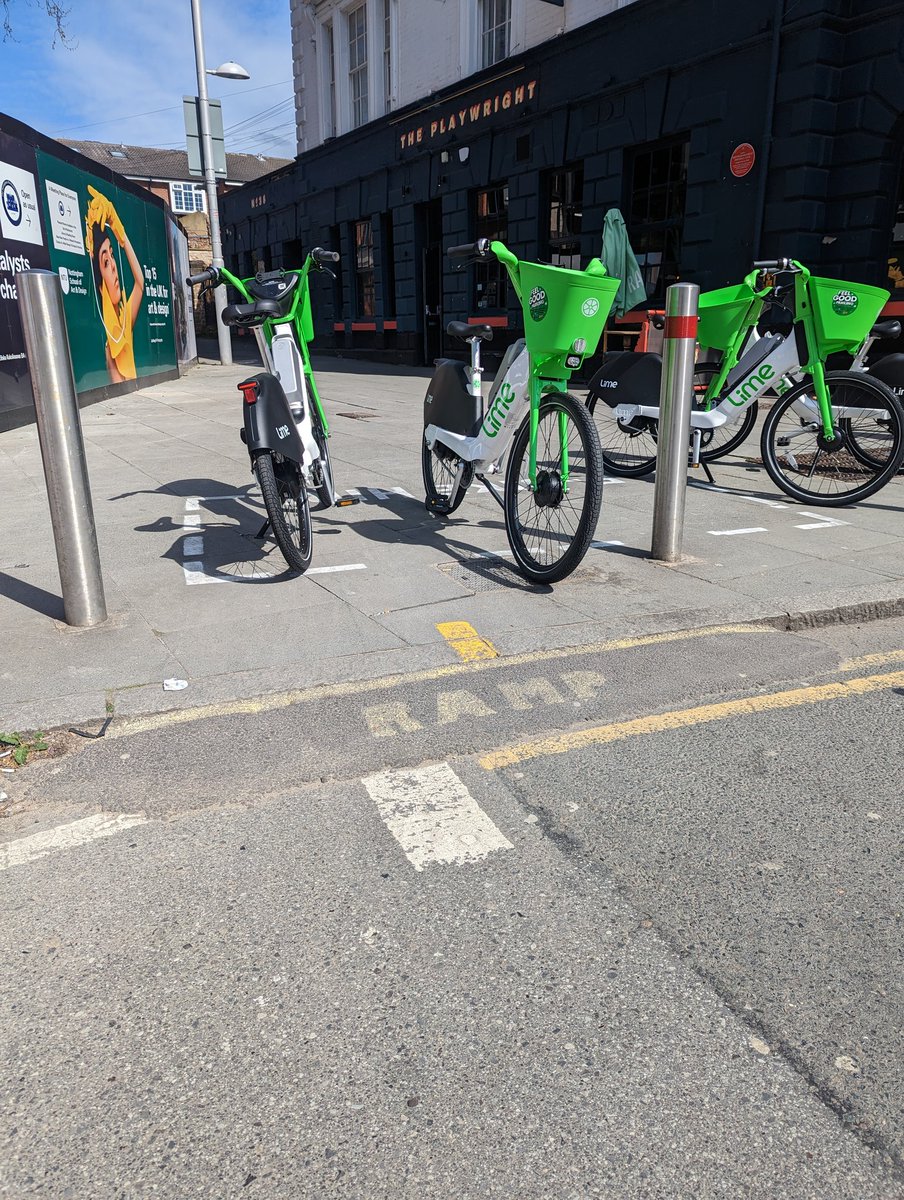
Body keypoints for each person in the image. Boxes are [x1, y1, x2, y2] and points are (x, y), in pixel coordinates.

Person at [84, 187, 144, 382]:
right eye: (105, 262)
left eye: (112, 254)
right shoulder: (110, 347)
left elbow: (140, 283)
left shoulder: (125, 318)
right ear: (100, 283)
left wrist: (122, 236)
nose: (113, 267)